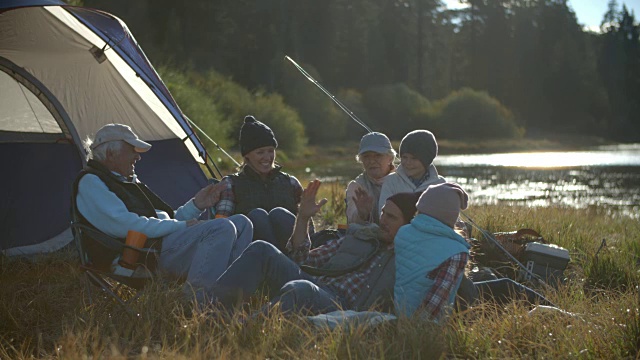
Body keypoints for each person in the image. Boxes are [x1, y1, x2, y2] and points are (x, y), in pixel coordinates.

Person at [73, 123, 253, 295]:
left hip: (159, 246)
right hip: (140, 257)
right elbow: (126, 225)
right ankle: (196, 303)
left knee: (242, 223)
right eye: (132, 150)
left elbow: (165, 220)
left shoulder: (127, 181)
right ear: (111, 154)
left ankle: (226, 296)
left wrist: (197, 205)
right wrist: (182, 226)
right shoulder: (91, 182)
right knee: (222, 228)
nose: (138, 157)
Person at [200, 181, 422, 315]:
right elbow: (302, 259)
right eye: (383, 212)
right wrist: (303, 217)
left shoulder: (410, 258)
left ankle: (246, 329)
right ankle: (211, 313)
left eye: (391, 217)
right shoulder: (361, 236)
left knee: (301, 289)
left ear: (410, 224)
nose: (382, 220)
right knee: (262, 249)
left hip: (341, 307)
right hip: (317, 284)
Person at [214, 115, 305, 251]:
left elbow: (306, 223)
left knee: (279, 214)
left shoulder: (291, 182)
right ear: (247, 156)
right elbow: (221, 226)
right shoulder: (230, 184)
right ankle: (274, 261)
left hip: (293, 252)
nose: (267, 157)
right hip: (254, 255)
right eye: (260, 152)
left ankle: (287, 262)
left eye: (270, 151)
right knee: (257, 216)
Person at [394, 183, 471, 321]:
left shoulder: (402, 233)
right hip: (425, 325)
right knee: (501, 285)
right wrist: (414, 330)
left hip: (399, 310)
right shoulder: (457, 252)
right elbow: (435, 302)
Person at [378, 129, 445, 215]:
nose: (408, 163)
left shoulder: (440, 184)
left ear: (426, 160)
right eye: (405, 157)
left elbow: (446, 217)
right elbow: (383, 215)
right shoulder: (391, 181)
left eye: (414, 158)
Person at [345, 132, 396, 225]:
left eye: (378, 155)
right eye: (366, 156)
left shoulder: (404, 180)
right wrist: (362, 215)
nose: (372, 161)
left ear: (390, 158)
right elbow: (351, 220)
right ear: (361, 160)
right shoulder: (356, 186)